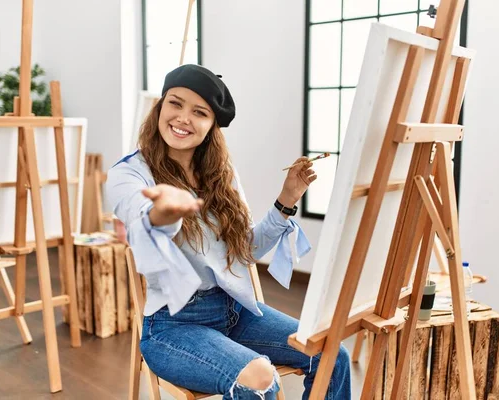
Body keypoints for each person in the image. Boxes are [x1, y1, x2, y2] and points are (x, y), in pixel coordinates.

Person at [106, 64, 351, 399]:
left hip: (235, 314)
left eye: (199, 112)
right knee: (260, 378)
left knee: (331, 352)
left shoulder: (221, 174)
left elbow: (244, 251)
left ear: (211, 126)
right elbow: (141, 215)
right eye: (175, 103)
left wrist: (287, 199)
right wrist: (163, 213)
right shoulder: (129, 175)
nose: (182, 118)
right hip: (174, 328)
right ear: (160, 106)